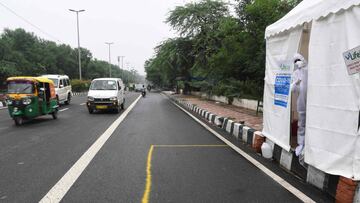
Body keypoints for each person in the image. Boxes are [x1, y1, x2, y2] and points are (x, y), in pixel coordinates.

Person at [291, 53, 308, 156]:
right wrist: (296, 83)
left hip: (311, 101)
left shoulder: (309, 70)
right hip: (301, 101)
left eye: (299, 60)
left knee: (311, 123)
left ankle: (309, 143)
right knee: (301, 124)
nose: (298, 62)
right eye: (295, 61)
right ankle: (301, 143)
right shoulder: (295, 73)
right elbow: (293, 90)